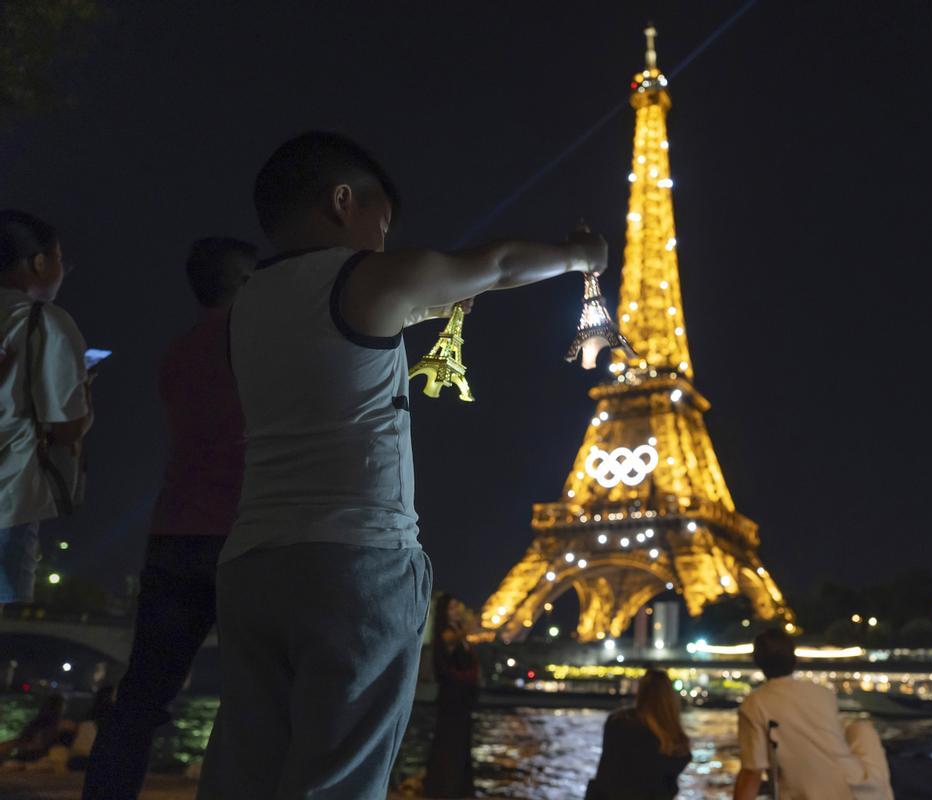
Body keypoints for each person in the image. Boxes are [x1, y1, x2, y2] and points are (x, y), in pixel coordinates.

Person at [197, 130, 607, 799]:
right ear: (342, 202)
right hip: (353, 564)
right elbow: (500, 264)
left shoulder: (248, 302)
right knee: (339, 778)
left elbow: (334, 342)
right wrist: (577, 255)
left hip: (250, 565)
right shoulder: (364, 276)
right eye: (380, 222)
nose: (384, 241)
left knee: (248, 773)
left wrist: (426, 302)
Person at [82, 238, 255, 799]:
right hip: (245, 537)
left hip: (173, 534)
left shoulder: (176, 353)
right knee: (259, 697)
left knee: (141, 697)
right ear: (249, 282)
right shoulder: (264, 346)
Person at [0, 210, 92, 613]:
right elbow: (66, 427)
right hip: (8, 497)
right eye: (59, 260)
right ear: (38, 262)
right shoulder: (43, 322)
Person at [734, 628, 894, 800]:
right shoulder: (823, 693)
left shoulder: (755, 703)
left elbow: (752, 772)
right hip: (856, 789)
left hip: (804, 794)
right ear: (794, 660)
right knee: (860, 729)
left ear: (758, 662)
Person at [587, 668, 692, 800]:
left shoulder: (618, 722)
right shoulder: (674, 740)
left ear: (641, 693)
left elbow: (607, 772)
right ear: (671, 698)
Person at [424, 593, 480, 798]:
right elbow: (450, 643)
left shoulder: (457, 632)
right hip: (452, 698)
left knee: (459, 742)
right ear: (443, 611)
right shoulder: (446, 633)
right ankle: (445, 786)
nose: (456, 611)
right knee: (450, 742)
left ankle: (455, 785)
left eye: (458, 606)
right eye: (452, 607)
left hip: (462, 698)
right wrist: (469, 626)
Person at [0, 693, 74, 763]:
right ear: (61, 708)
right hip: (39, 756)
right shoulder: (62, 725)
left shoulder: (35, 724)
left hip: (28, 755)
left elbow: (21, 741)